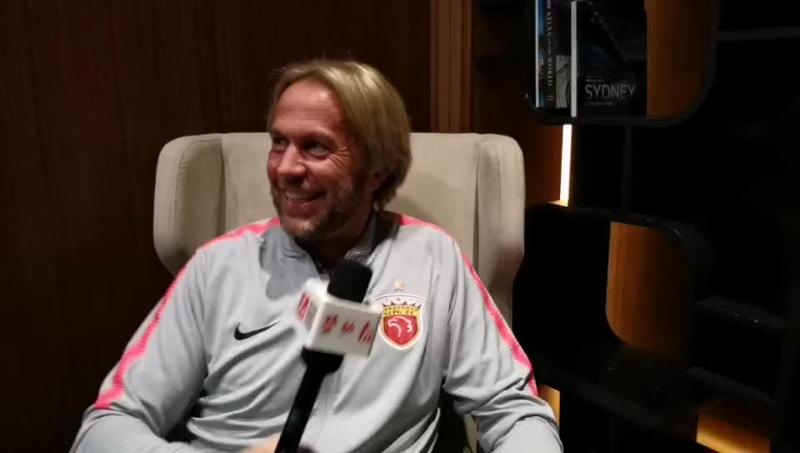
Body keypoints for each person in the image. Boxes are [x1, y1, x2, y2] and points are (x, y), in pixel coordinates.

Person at [71, 59, 562, 453]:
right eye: (278, 143)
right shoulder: (216, 266)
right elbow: (106, 427)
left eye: (316, 148)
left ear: (376, 169)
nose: (285, 168)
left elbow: (512, 408)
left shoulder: (433, 259)